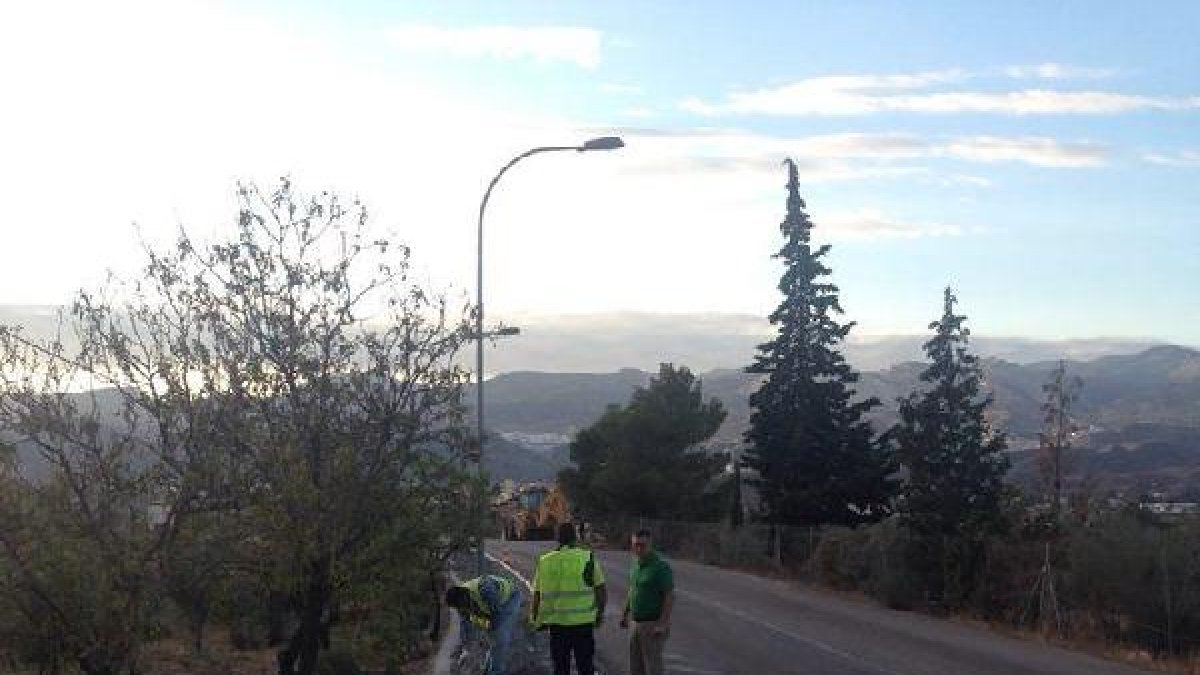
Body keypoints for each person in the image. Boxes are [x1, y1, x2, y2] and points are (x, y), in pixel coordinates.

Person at [531, 522, 607, 675]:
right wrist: (599, 614)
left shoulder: (545, 561)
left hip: (557, 625)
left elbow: (537, 595)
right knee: (585, 666)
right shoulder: (587, 557)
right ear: (575, 537)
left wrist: (535, 620)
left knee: (560, 667)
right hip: (583, 625)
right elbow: (601, 590)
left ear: (557, 538)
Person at [445, 573, 523, 675]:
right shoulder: (461, 602)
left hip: (510, 599)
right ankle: (487, 669)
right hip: (493, 608)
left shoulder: (485, 590)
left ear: (463, 597)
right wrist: (466, 648)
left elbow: (496, 616)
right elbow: (465, 625)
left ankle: (495, 672)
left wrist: (489, 629)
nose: (461, 609)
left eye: (460, 605)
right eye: (458, 607)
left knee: (500, 638)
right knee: (493, 637)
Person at [619, 529, 674, 675]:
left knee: (652, 667)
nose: (638, 549)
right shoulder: (635, 565)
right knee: (635, 667)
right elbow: (632, 590)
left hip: (652, 624)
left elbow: (669, 596)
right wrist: (624, 613)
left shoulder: (660, 567)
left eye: (642, 545)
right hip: (635, 622)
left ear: (650, 545)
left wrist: (662, 623)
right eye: (635, 545)